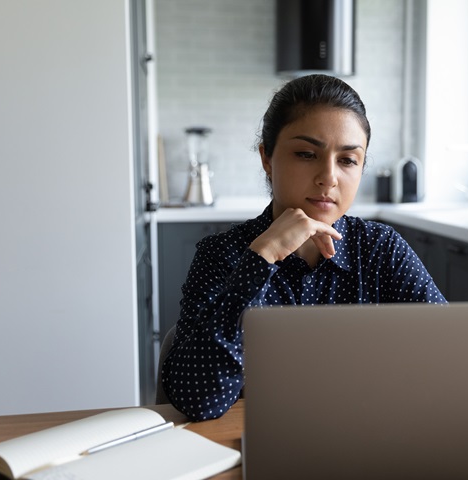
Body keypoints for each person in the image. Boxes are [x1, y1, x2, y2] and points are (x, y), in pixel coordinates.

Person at [160, 74, 447, 421]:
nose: (329, 177)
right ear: (267, 157)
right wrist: (261, 258)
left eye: (347, 160)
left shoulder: (381, 250)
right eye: (306, 153)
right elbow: (200, 402)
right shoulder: (222, 255)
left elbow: (449, 362)